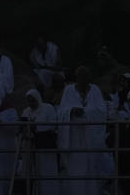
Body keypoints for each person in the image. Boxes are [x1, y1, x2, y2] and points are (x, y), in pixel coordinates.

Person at [57, 66, 109, 195]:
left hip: (90, 138)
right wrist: (72, 112)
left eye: (85, 77)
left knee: (91, 170)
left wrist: (85, 113)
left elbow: (101, 111)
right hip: (73, 139)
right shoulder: (69, 90)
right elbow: (61, 112)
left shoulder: (95, 90)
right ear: (76, 78)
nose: (83, 80)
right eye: (80, 77)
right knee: (75, 170)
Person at [23, 89, 60, 195]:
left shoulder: (47, 108)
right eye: (29, 101)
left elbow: (53, 124)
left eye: (33, 100)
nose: (31, 103)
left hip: (46, 146)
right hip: (32, 146)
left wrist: (38, 127)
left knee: (48, 172)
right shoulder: (26, 112)